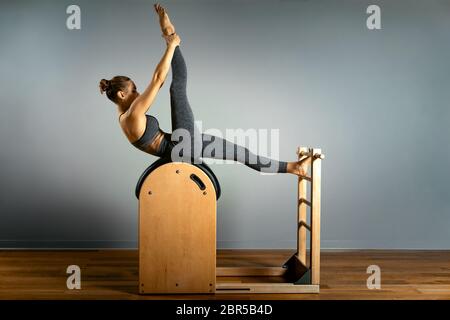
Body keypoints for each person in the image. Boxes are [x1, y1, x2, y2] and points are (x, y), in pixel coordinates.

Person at [99, 3, 308, 175]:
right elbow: (157, 79)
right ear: (122, 94)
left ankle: (293, 168)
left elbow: (157, 80)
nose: (138, 94)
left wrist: (164, 23)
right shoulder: (132, 116)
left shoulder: (124, 116)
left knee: (240, 152)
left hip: (183, 147)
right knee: (176, 86)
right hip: (181, 147)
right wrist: (171, 46)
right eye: (134, 90)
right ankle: (171, 39)